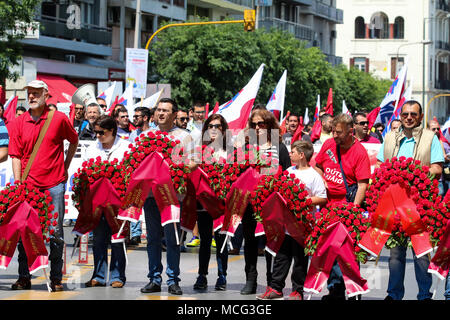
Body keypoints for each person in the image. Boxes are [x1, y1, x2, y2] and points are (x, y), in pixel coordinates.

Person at [8, 79, 79, 292]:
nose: (31, 96)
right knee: (24, 232)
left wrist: (65, 166)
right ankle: (24, 277)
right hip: (28, 186)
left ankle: (56, 278)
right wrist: (19, 183)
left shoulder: (59, 119)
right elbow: (16, 155)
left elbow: (73, 141)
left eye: (36, 92)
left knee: (56, 233)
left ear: (46, 95)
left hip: (54, 185)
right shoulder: (19, 122)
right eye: (29, 92)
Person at [377, 100, 444, 301]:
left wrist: (410, 173)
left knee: (421, 253)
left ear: (420, 117)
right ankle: (394, 294)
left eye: (413, 114)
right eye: (405, 114)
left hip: (420, 206)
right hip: (394, 205)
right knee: (395, 254)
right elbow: (380, 165)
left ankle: (424, 295)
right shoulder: (389, 138)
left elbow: (437, 169)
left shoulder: (430, 138)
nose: (408, 117)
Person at [140, 98, 197, 296]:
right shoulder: (145, 136)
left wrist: (174, 168)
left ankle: (173, 280)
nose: (161, 113)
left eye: (166, 111)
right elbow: (137, 161)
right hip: (149, 195)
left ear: (174, 115)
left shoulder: (184, 137)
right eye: (159, 110)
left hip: (172, 196)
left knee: (172, 240)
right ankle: (154, 278)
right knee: (153, 239)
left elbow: (194, 162)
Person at [257, 140, 327, 300]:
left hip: (302, 224)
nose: (290, 154)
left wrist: (304, 201)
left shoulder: (314, 175)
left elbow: (322, 198)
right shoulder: (289, 171)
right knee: (281, 256)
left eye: (293, 152)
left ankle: (298, 291)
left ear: (302, 155)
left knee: (300, 259)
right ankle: (275, 288)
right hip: (285, 224)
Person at [314, 113, 371, 300]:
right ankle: (335, 291)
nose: (334, 136)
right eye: (333, 131)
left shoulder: (359, 152)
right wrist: (322, 178)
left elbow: (363, 184)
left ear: (350, 132)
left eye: (338, 132)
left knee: (348, 253)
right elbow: (318, 166)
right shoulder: (329, 144)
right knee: (331, 250)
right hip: (329, 207)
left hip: (348, 207)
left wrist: (353, 211)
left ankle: (354, 292)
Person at [240, 109, 291, 296]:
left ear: (269, 125)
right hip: (249, 203)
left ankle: (273, 281)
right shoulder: (245, 148)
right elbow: (237, 174)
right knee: (250, 242)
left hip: (272, 204)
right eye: (253, 124)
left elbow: (287, 174)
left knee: (272, 242)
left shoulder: (280, 147)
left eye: (260, 124)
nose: (256, 127)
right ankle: (250, 279)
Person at [82, 115, 129, 288]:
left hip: (118, 202)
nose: (98, 136)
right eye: (96, 132)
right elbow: (86, 171)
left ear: (112, 131)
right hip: (98, 202)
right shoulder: (93, 148)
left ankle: (117, 276)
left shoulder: (125, 147)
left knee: (118, 238)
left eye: (102, 133)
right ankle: (99, 275)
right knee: (99, 239)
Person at [193, 114, 230, 291]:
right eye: (210, 126)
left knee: (221, 241)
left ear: (224, 130)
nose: (213, 129)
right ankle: (202, 275)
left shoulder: (230, 151)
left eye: (218, 126)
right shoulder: (200, 150)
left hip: (222, 205)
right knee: (205, 241)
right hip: (203, 203)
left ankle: (222, 276)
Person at [127, 106, 152, 246]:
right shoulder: (133, 134)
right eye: (134, 116)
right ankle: (135, 234)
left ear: (145, 118)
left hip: (150, 175)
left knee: (150, 206)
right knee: (135, 203)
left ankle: (152, 233)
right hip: (136, 174)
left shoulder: (153, 133)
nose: (134, 119)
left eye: (137, 117)